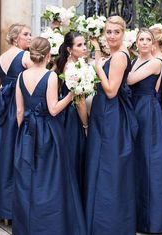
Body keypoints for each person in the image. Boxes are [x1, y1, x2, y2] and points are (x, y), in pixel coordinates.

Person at [13, 37, 86, 235]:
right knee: (51, 179)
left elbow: (19, 112)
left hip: (26, 131)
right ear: (48, 54)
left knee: (29, 178)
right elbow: (53, 109)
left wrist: (24, 134)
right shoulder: (50, 76)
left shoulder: (21, 76)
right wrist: (71, 94)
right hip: (48, 132)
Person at [85, 16, 138, 235]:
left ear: (123, 33)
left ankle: (109, 223)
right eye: (108, 32)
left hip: (111, 114)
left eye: (116, 32)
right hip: (103, 112)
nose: (112, 36)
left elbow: (110, 90)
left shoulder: (120, 57)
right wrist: (97, 49)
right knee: (100, 162)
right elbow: (103, 62)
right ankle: (98, 219)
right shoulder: (113, 54)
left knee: (109, 166)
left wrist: (97, 67)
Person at [0, 23, 32, 222]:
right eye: (26, 34)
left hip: (1, 111)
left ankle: (1, 210)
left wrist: (1, 108)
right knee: (16, 157)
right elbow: (39, 79)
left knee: (0, 157)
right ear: (15, 38)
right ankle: (15, 210)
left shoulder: (1, 58)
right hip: (18, 108)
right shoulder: (25, 56)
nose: (30, 37)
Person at [127, 28, 162, 234]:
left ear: (153, 43)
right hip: (134, 108)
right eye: (140, 39)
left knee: (150, 161)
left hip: (148, 112)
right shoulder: (134, 60)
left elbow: (128, 80)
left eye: (147, 39)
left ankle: (152, 220)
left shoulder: (156, 62)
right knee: (136, 161)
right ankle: (136, 216)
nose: (144, 42)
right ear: (136, 42)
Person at [53, 31, 88, 192]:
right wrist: (86, 125)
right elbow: (80, 102)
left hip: (62, 114)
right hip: (73, 116)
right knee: (75, 155)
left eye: (84, 44)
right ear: (69, 49)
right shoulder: (73, 69)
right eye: (79, 45)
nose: (84, 48)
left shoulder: (63, 63)